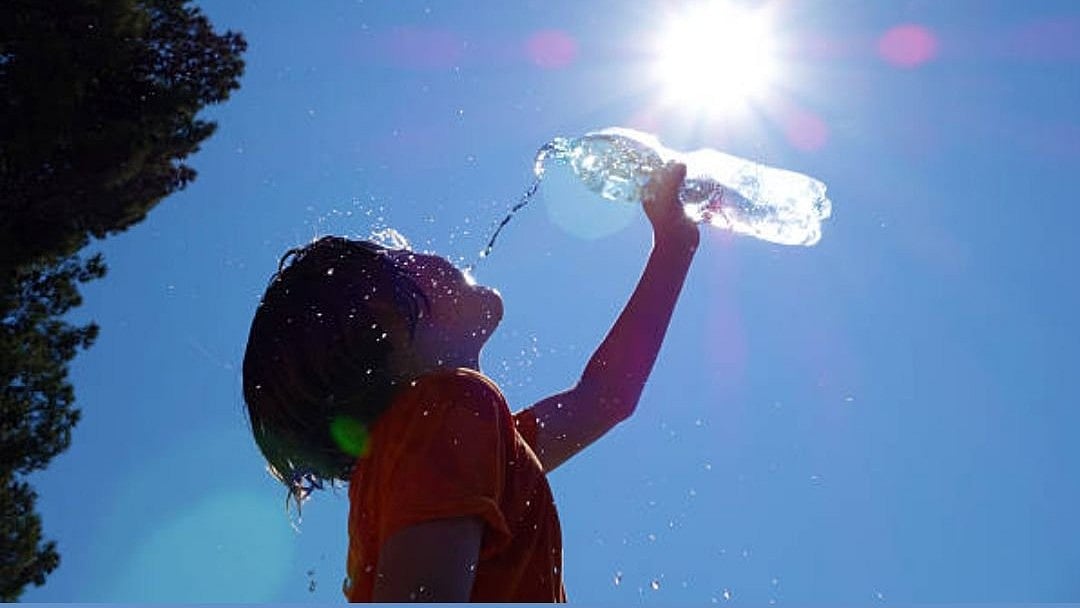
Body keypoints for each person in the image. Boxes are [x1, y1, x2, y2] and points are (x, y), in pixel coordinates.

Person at [241, 162, 699, 602]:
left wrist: (674, 246)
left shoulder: (451, 446)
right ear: (386, 325)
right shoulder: (446, 413)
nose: (429, 255)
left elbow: (605, 398)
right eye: (403, 259)